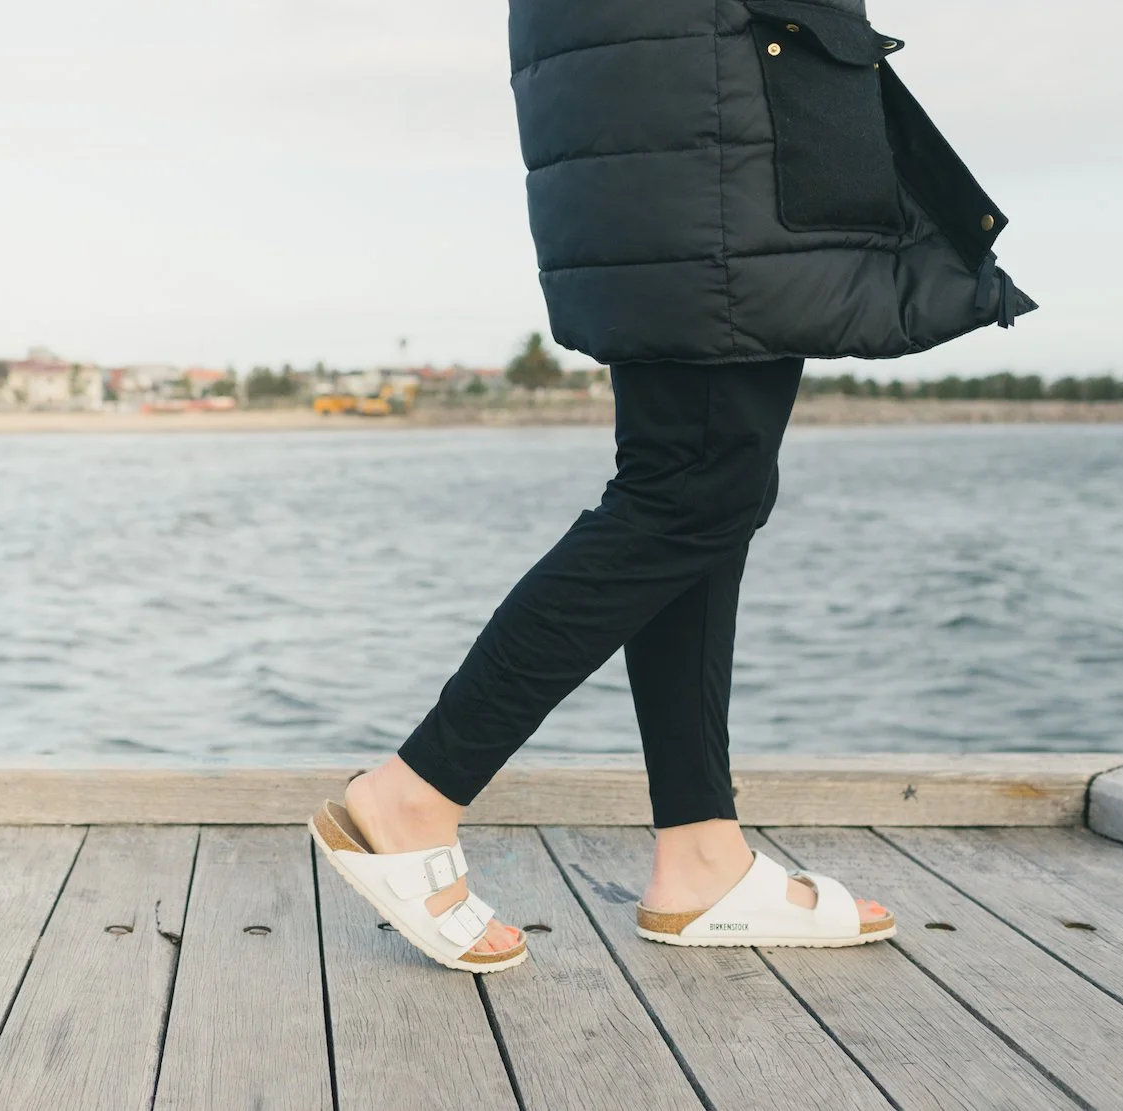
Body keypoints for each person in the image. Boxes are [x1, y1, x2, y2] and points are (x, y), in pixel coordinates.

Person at [309, 0, 1032, 969]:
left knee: (699, 486)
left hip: (667, 98)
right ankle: (413, 793)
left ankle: (700, 855)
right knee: (690, 488)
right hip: (703, 97)